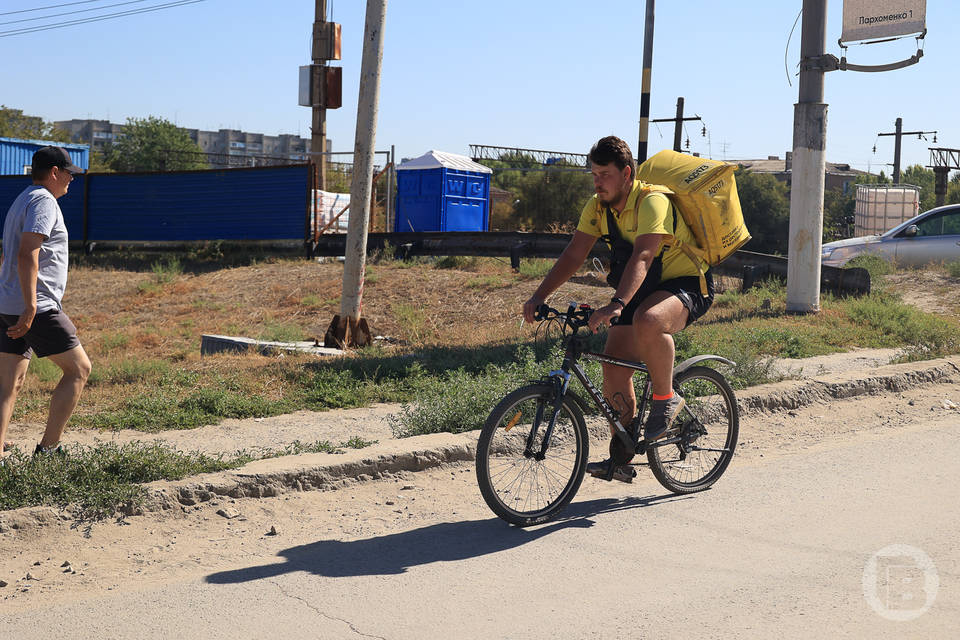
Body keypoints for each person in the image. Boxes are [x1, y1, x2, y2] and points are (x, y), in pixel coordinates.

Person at [522, 135, 714, 482]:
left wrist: (616, 303)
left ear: (627, 173)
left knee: (650, 320)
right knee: (612, 368)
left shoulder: (652, 201)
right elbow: (573, 255)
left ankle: (666, 397)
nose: (597, 182)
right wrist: (539, 297)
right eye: (594, 174)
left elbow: (644, 255)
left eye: (605, 174)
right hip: (637, 289)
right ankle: (621, 454)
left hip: (685, 283)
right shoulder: (597, 207)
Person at [0, 146, 92, 463]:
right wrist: (30, 307)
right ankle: (48, 451)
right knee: (79, 369)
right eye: (69, 173)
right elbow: (27, 253)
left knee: (9, 382)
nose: (71, 180)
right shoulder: (44, 201)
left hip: (7, 303)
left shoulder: (23, 198)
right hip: (35, 307)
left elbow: (8, 253)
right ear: (54, 172)